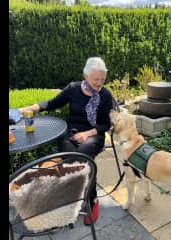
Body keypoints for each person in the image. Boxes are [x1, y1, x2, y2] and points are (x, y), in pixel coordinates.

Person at [18, 57, 113, 225]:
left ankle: (91, 199)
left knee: (83, 158)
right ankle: (73, 196)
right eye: (96, 79)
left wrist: (87, 134)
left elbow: (105, 124)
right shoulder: (73, 89)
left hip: (93, 134)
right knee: (70, 157)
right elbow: (51, 103)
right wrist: (26, 109)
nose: (99, 83)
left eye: (102, 80)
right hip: (71, 131)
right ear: (86, 76)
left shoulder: (105, 95)